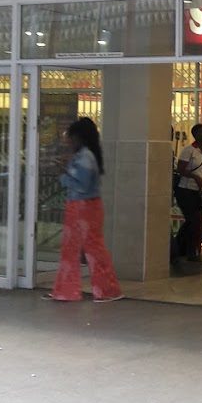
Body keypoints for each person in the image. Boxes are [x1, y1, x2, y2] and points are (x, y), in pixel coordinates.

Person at [44, 117, 122, 303]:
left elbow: (82, 185)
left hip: (84, 206)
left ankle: (104, 290)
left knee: (90, 248)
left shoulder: (85, 157)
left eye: (71, 138)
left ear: (80, 137)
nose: (68, 142)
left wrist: (62, 175)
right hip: (82, 206)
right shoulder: (84, 156)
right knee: (75, 248)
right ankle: (70, 290)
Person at [175, 123, 202, 263]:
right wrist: (195, 177)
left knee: (194, 221)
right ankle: (192, 251)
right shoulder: (189, 151)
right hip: (187, 191)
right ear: (196, 135)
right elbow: (181, 169)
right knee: (194, 221)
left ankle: (178, 246)